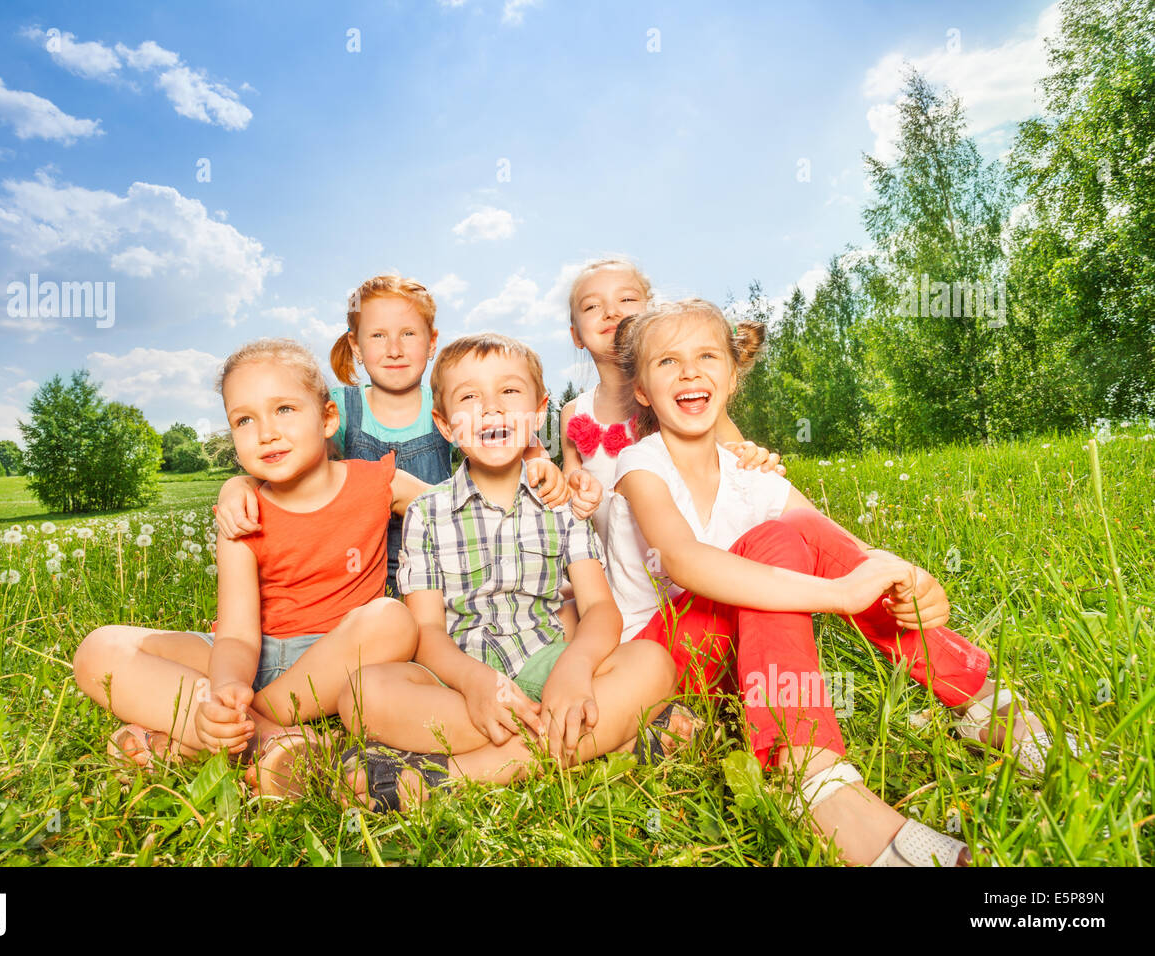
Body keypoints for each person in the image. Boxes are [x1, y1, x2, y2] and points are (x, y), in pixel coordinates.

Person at [605, 298, 1074, 866]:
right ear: (643, 392)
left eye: (706, 356)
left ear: (731, 377)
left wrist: (905, 578)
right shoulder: (640, 464)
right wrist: (838, 596)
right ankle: (817, 783)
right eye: (667, 363)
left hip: (738, 665)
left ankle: (985, 701)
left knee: (801, 528)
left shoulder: (752, 478)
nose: (689, 372)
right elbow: (684, 560)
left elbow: (838, 548)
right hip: (662, 663)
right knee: (777, 543)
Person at [333, 333, 697, 811]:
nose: (491, 408)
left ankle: (451, 778)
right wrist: (477, 683)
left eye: (509, 392)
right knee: (361, 695)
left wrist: (575, 668)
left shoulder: (561, 502)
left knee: (652, 663)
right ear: (444, 424)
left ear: (539, 411)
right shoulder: (426, 512)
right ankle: (606, 742)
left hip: (547, 665)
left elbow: (599, 608)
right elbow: (426, 631)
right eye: (469, 397)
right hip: (459, 686)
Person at [73, 338, 425, 797]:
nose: (266, 433)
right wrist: (226, 688)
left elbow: (460, 506)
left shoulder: (378, 482)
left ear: (328, 418)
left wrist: (537, 464)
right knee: (98, 650)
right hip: (248, 656)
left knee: (391, 619)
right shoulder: (240, 513)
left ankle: (211, 737)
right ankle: (254, 735)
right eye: (244, 419)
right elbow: (238, 634)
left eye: (284, 409)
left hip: (332, 661)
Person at [212, 274, 590, 589]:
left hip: (445, 556)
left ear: (432, 343)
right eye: (377, 336)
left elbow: (517, 440)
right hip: (358, 569)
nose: (394, 349)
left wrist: (543, 467)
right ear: (356, 347)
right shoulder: (341, 408)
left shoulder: (452, 404)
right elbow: (289, 463)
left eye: (408, 334)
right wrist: (237, 486)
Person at [558, 257, 783, 543]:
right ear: (576, 334)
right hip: (622, 568)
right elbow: (569, 485)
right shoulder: (574, 412)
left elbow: (735, 454)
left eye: (626, 299)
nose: (611, 312)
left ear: (651, 314)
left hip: (699, 551)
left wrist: (752, 455)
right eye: (592, 306)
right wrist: (572, 488)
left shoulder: (683, 399)